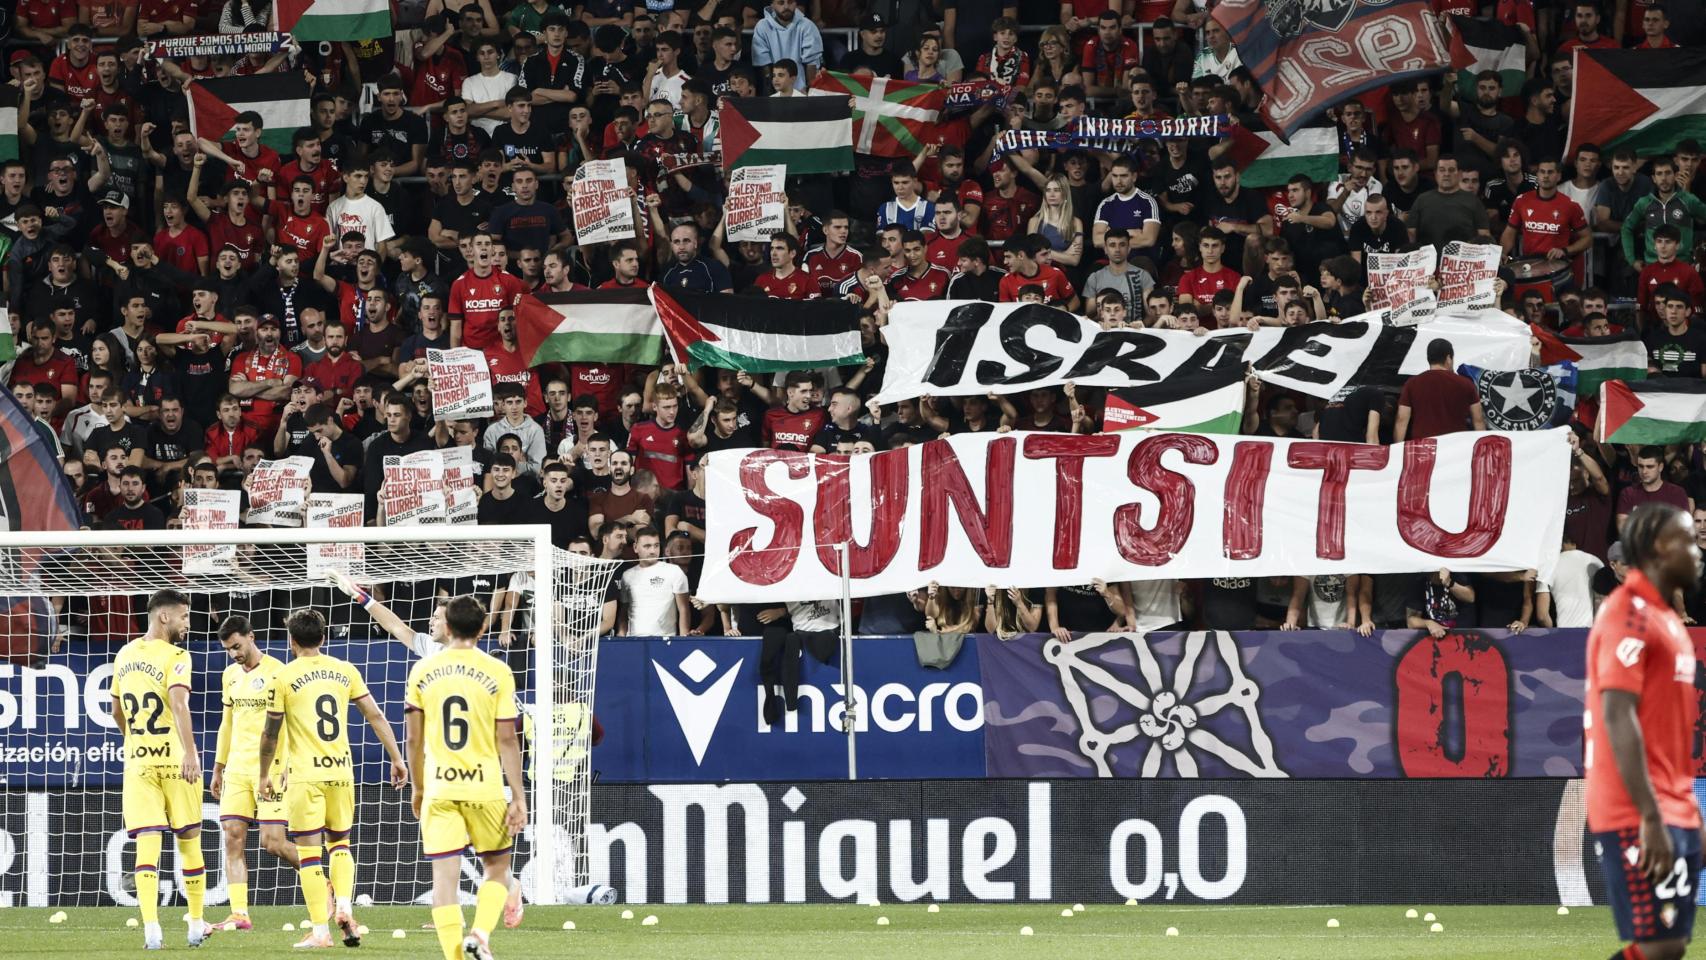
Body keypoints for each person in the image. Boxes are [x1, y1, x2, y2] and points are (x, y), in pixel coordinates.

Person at [1584, 502, 1704, 960]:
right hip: (1636, 806)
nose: (1697, 552)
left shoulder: (1667, 620)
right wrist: (1650, 817)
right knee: (1661, 947)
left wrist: (1687, 811)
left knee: (1667, 946)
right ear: (1658, 548)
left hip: (1673, 800)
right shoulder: (1627, 614)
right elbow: (1617, 715)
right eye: (1687, 541)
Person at [256, 609, 409, 949]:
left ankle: (321, 932)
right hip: (341, 772)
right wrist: (397, 758)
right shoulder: (345, 670)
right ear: (323, 638)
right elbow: (375, 714)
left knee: (310, 855)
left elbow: (270, 732)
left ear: (292, 642)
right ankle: (344, 906)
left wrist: (265, 773)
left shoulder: (282, 677)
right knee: (340, 844)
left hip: (305, 777)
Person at [403, 594, 528, 960]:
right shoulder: (498, 671)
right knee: (497, 868)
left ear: (448, 626)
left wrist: (418, 786)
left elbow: (413, 737)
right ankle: (480, 933)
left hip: (439, 788)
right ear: (484, 627)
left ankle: (456, 957)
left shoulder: (423, 670)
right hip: (484, 787)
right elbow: (507, 739)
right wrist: (518, 796)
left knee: (444, 882)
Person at [113, 589, 209, 949]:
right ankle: (196, 925)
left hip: (139, 762)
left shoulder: (124, 654)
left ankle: (152, 929)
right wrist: (191, 752)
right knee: (189, 842)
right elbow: (179, 703)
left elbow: (117, 712)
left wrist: (135, 741)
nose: (187, 623)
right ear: (164, 616)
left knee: (147, 848)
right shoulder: (177, 656)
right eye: (184, 616)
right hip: (174, 759)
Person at [207, 615, 301, 933]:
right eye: (228, 649)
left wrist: (289, 764)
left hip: (271, 768)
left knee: (273, 843)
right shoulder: (230, 675)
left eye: (237, 646)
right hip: (237, 769)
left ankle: (320, 880)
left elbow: (293, 723)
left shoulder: (279, 672)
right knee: (232, 838)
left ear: (252, 636)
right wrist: (218, 767)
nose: (234, 653)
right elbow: (227, 723)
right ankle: (239, 914)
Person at [1394, 338, 1485, 440]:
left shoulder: (1412, 383)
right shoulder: (1466, 384)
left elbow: (1402, 419)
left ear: (1429, 358)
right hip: (1456, 446)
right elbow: (1478, 420)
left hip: (1423, 447)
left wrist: (1397, 449)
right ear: (1448, 358)